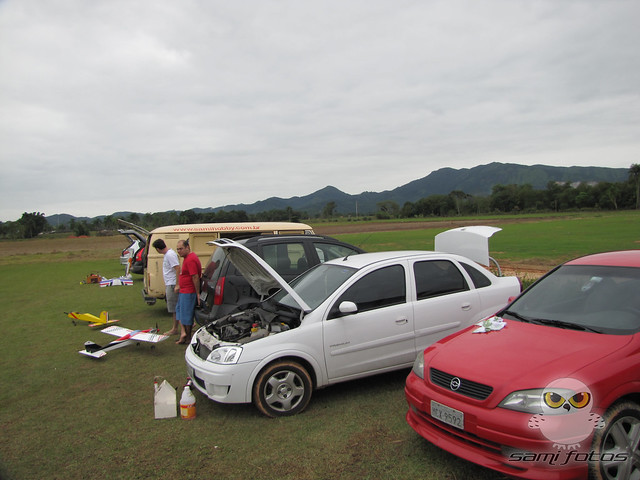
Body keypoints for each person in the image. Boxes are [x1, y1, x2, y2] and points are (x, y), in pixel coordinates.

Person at [151, 238, 181, 335]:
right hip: (170, 283)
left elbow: (177, 268)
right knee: (175, 307)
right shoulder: (168, 255)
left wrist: (177, 284)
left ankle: (175, 329)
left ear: (158, 249)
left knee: (174, 307)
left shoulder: (170, 255)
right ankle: (181, 326)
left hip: (172, 284)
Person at [175, 239, 201, 344]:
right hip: (184, 290)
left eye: (181, 249)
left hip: (189, 292)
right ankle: (185, 334)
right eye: (177, 249)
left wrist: (197, 293)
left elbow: (195, 277)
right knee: (180, 311)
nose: (179, 251)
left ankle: (188, 338)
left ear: (187, 247)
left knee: (186, 316)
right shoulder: (186, 258)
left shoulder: (190, 259)